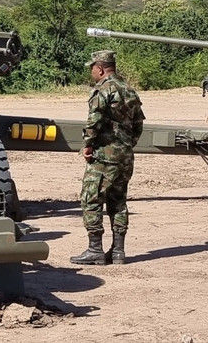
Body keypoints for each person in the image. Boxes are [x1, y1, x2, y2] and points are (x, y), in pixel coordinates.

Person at [71, 50, 145, 266]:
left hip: (105, 156)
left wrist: (87, 146)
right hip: (125, 157)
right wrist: (126, 146)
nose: (92, 72)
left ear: (100, 68)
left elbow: (94, 122)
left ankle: (95, 249)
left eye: (92, 68)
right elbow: (138, 124)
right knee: (118, 201)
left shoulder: (103, 90)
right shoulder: (129, 90)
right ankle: (118, 251)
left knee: (90, 198)